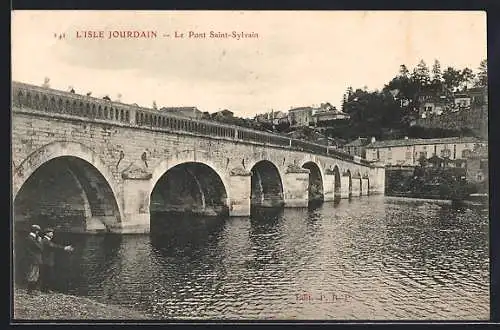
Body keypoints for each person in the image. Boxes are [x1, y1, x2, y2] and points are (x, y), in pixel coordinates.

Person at [40, 228, 74, 293]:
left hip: (48, 260)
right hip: (47, 261)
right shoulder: (45, 240)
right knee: (48, 275)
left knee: (47, 275)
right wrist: (64, 248)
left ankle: (44, 289)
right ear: (46, 233)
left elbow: (54, 246)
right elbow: (54, 246)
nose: (52, 234)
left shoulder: (47, 240)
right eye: (51, 233)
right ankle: (45, 289)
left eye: (52, 233)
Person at [24, 224, 43, 295]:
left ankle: (31, 290)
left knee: (34, 274)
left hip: (34, 259)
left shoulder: (31, 238)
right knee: (33, 274)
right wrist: (39, 241)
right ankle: (30, 290)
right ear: (36, 231)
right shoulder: (31, 238)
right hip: (34, 259)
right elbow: (40, 248)